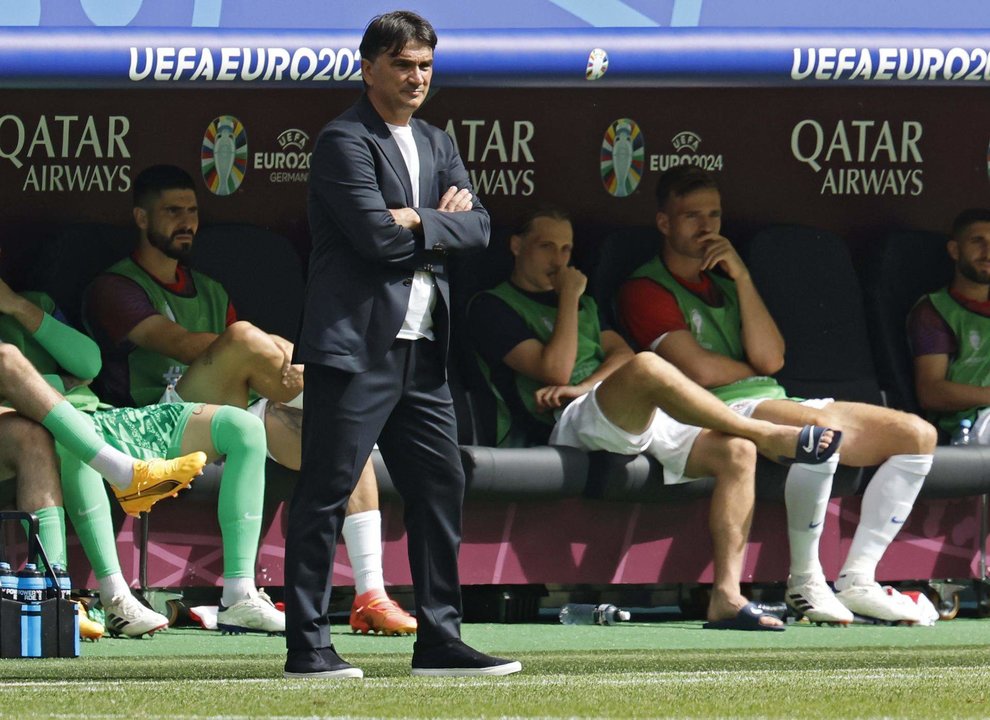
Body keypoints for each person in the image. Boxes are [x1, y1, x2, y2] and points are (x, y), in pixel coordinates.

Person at [469, 207, 847, 631]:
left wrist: (585, 381)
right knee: (650, 368)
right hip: (563, 426)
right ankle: (762, 431)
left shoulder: (590, 305)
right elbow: (555, 370)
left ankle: (726, 595)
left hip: (612, 407)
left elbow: (620, 355)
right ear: (517, 246)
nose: (558, 259)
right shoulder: (492, 306)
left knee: (736, 452)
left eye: (566, 248)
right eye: (546, 247)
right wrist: (569, 301)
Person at [286, 10, 521, 679]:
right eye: (403, 65)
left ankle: (440, 641)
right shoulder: (343, 140)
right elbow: (373, 239)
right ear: (368, 67)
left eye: (425, 65)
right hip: (357, 348)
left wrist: (421, 217)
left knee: (441, 484)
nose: (417, 77)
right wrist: (441, 222)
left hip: (424, 351)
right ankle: (308, 647)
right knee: (326, 492)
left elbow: (479, 227)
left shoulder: (438, 140)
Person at [83, 165, 414, 637]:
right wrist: (283, 354)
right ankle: (357, 401)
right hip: (157, 420)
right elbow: (178, 343)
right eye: (172, 211)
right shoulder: (115, 286)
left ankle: (372, 595)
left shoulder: (212, 288)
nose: (187, 221)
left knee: (341, 428)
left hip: (231, 415)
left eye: (193, 211)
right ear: (140, 217)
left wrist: (283, 359)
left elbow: (250, 363)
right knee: (244, 339)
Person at [617, 165, 938, 624]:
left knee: (917, 435)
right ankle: (806, 580)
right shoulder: (644, 287)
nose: (707, 227)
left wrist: (744, 277)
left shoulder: (727, 282)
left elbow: (771, 360)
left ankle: (858, 579)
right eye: (692, 216)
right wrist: (751, 366)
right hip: (717, 411)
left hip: (770, 395)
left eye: (714, 215)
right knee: (823, 433)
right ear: (664, 223)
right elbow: (700, 371)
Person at [1, 283, 285, 636]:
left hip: (112, 417)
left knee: (243, 428)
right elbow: (18, 374)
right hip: (60, 431)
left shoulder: (35, 303)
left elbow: (89, 362)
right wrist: (60, 383)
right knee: (72, 436)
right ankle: (116, 597)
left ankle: (239, 596)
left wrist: (14, 305)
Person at [908, 208, 990, 442]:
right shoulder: (936, 309)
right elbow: (930, 392)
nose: (988, 252)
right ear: (955, 250)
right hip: (971, 423)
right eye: (978, 242)